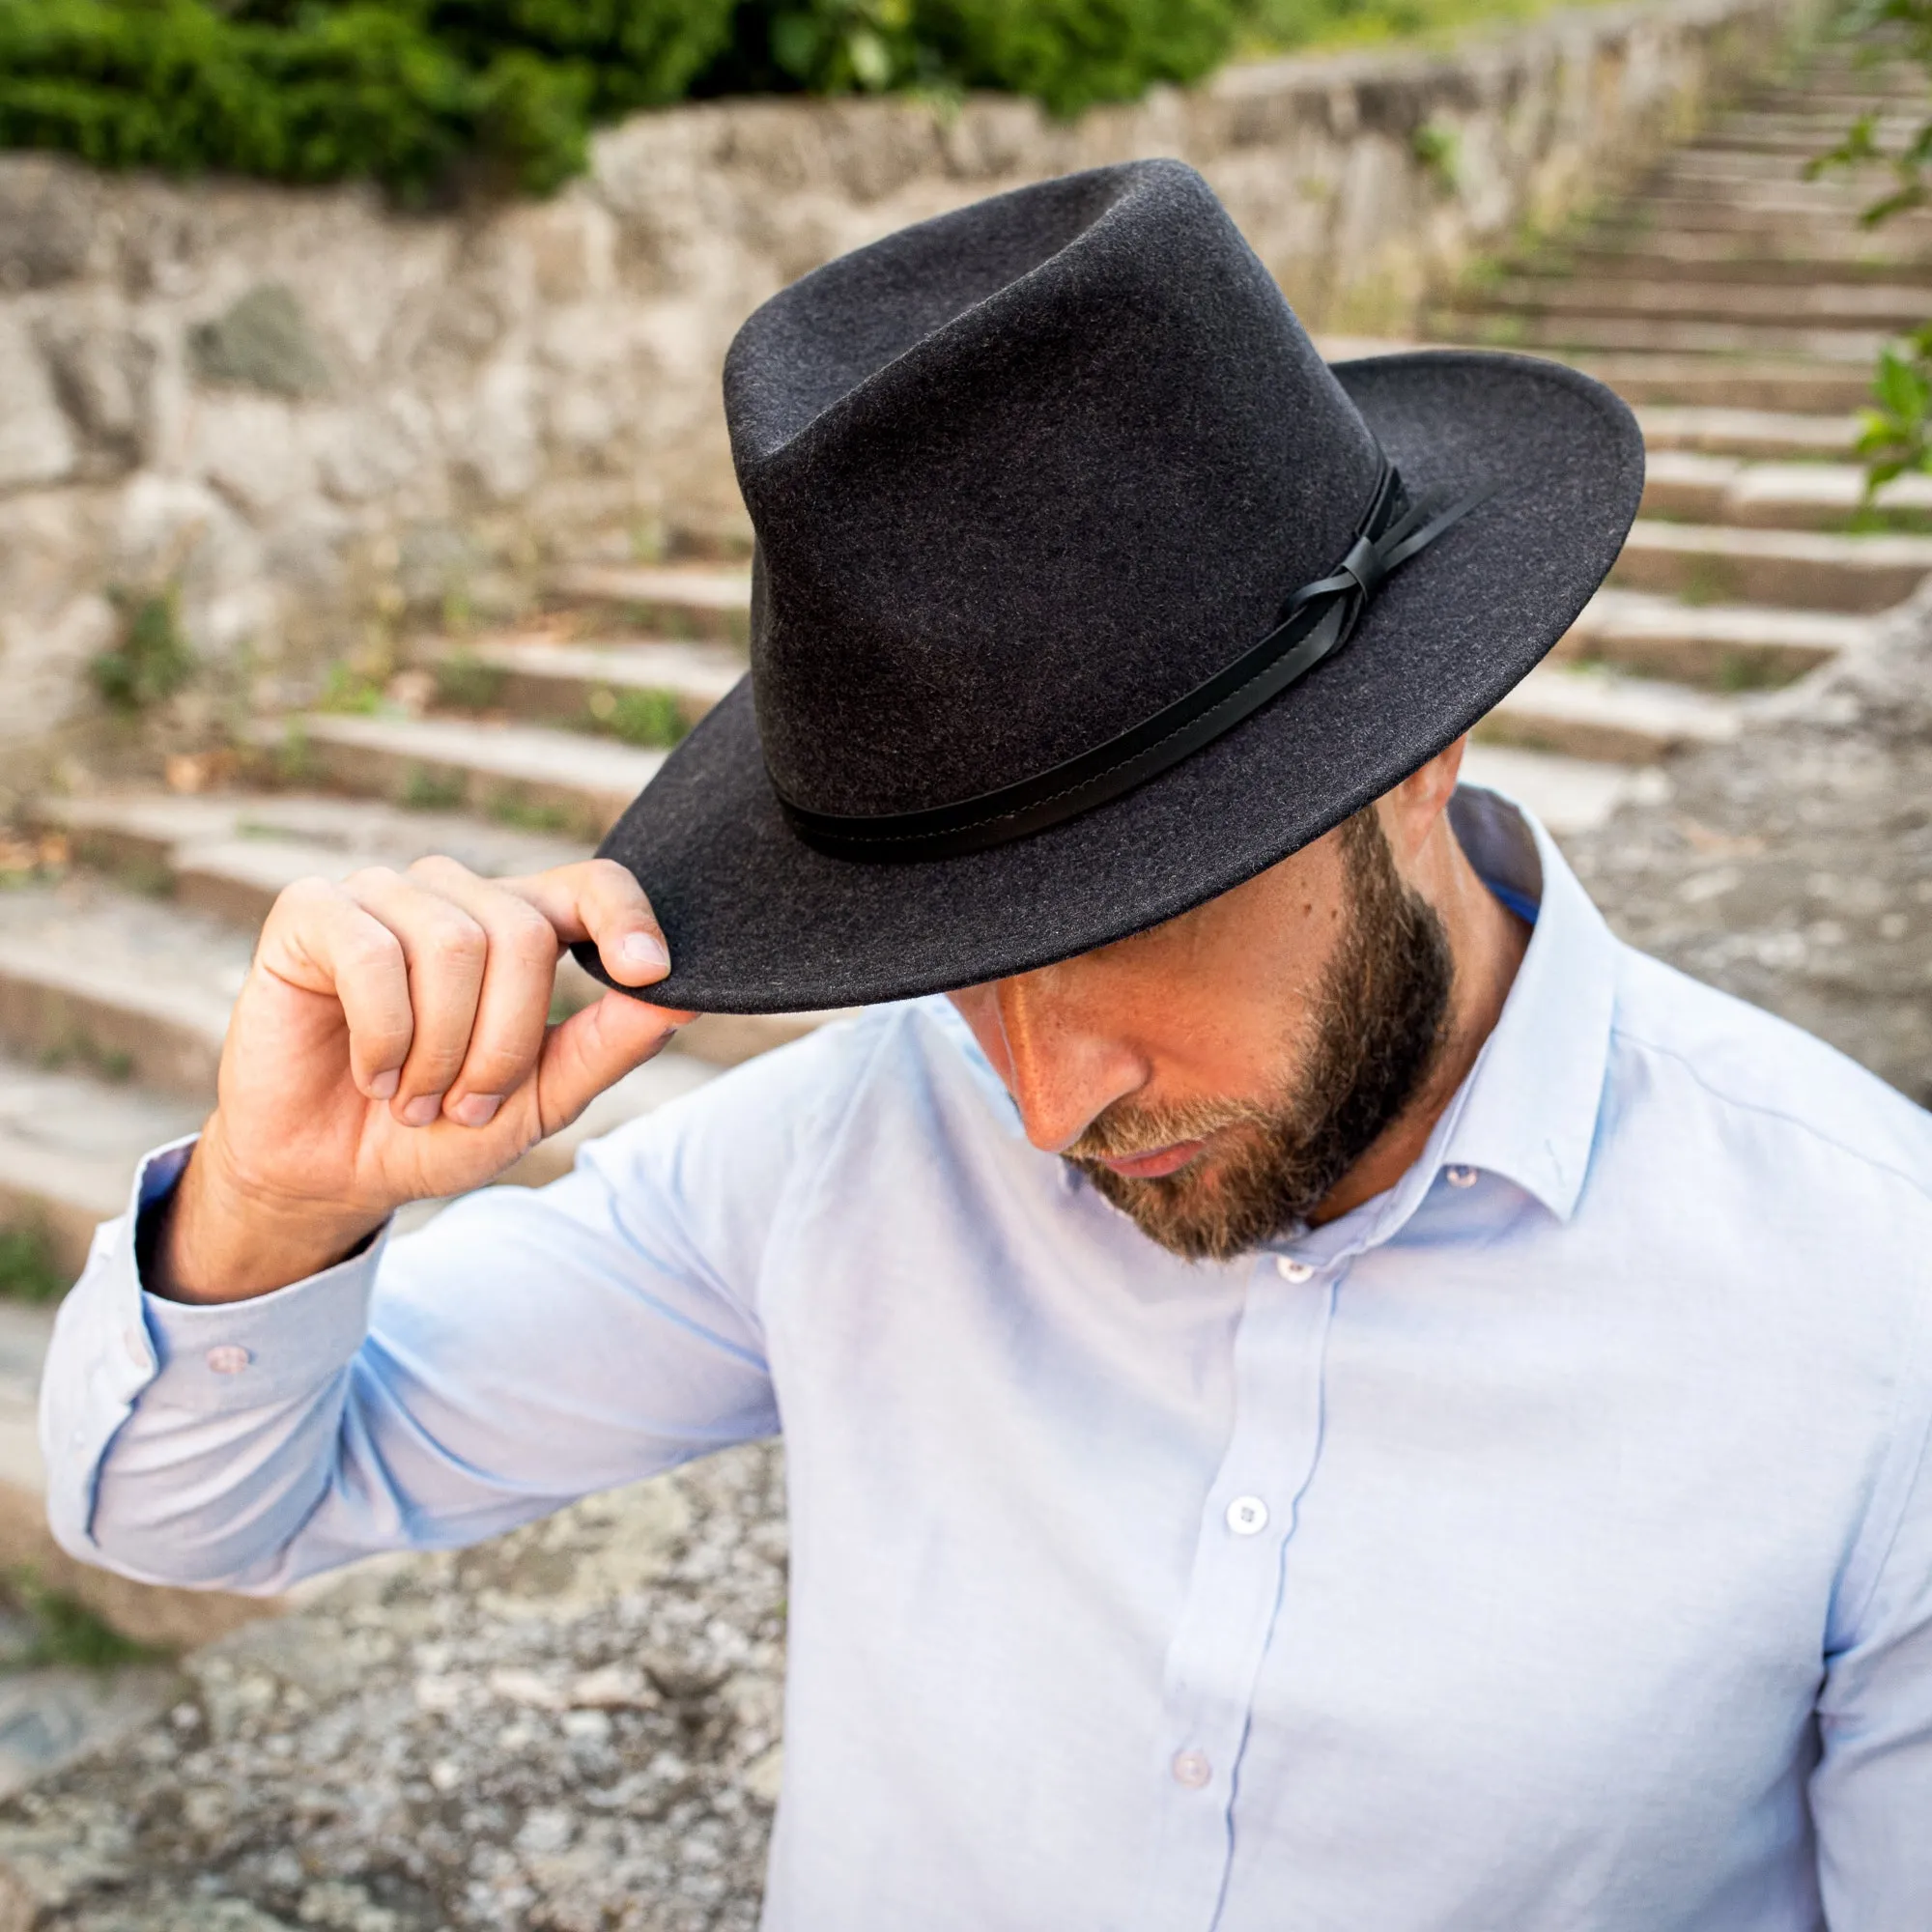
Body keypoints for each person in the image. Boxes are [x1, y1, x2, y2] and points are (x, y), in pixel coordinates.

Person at [42, 161, 1932, 1930]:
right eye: (959, 957)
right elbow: (194, 1502)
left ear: (1415, 752)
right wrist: (278, 1197)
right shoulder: (853, 1150)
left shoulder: (1871, 1312)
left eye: (1129, 918)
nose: (1038, 1098)